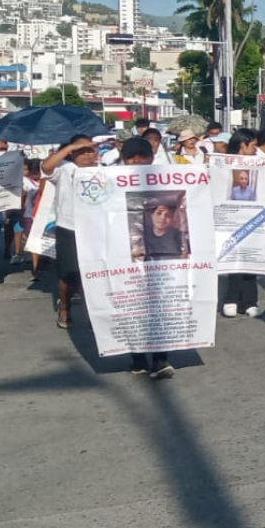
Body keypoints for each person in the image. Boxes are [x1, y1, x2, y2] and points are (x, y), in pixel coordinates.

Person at [115, 136, 175, 377]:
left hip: (161, 254)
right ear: (123, 159)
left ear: (152, 158)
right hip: (126, 253)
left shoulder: (168, 177)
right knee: (132, 304)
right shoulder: (109, 179)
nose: (137, 161)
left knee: (162, 306)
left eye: (142, 157)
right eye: (131, 157)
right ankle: (137, 358)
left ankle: (161, 359)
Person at [41, 135, 101, 330]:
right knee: (70, 274)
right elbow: (45, 168)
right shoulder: (65, 170)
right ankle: (65, 306)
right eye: (81, 150)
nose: (86, 154)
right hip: (69, 227)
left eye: (90, 150)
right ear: (73, 152)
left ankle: (94, 313)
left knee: (93, 273)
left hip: (94, 229)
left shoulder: (103, 172)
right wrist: (69, 148)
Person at [220, 130, 262, 318]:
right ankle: (231, 299)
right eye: (253, 146)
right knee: (232, 259)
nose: (255, 150)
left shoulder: (260, 165)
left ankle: (250, 301)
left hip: (253, 219)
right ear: (242, 145)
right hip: (229, 220)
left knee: (250, 258)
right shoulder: (221, 164)